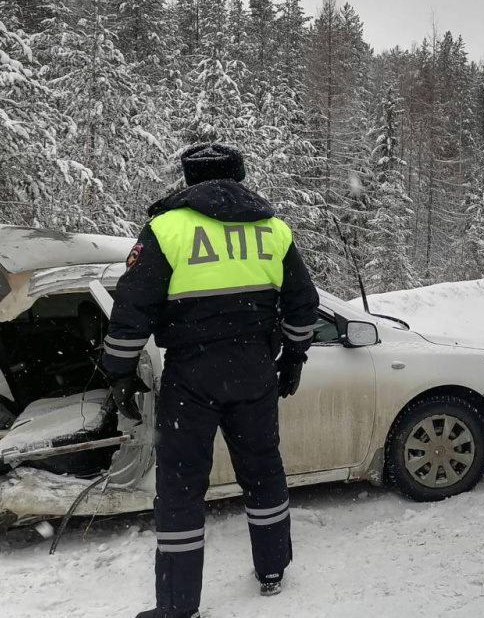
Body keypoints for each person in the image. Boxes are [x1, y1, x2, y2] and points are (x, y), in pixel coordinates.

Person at [101, 143, 320, 618]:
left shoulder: (167, 228)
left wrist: (118, 371)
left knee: (181, 487)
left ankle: (179, 607)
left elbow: (132, 307)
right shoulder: (274, 229)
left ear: (188, 178)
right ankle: (272, 569)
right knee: (263, 470)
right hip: (255, 369)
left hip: (192, 374)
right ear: (239, 176)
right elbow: (305, 305)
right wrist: (293, 357)